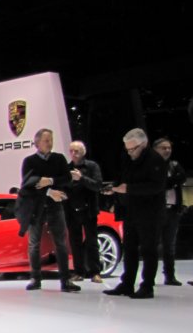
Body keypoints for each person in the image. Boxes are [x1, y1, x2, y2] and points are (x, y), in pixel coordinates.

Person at [103, 128, 167, 299]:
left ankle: (147, 286)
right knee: (129, 248)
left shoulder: (155, 160)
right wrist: (115, 189)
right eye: (128, 149)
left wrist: (129, 189)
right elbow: (123, 179)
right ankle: (127, 283)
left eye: (133, 149)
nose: (130, 152)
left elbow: (156, 186)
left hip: (150, 213)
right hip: (131, 210)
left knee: (148, 249)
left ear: (143, 144)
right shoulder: (128, 159)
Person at [16, 128, 80, 292]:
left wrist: (50, 181)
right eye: (46, 140)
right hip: (36, 208)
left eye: (51, 140)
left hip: (55, 207)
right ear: (37, 143)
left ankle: (65, 280)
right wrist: (49, 191)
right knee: (34, 244)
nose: (49, 143)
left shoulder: (59, 159)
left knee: (61, 243)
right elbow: (27, 185)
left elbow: (67, 179)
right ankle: (35, 278)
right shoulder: (29, 161)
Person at [63, 140, 104, 283]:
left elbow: (97, 185)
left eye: (77, 151)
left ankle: (95, 272)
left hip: (88, 210)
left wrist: (81, 178)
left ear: (83, 152)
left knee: (92, 242)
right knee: (75, 242)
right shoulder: (67, 168)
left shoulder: (92, 166)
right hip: (72, 210)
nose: (73, 154)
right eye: (71, 151)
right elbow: (63, 186)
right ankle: (78, 272)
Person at [153, 137, 186, 286]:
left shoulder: (174, 165)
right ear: (155, 150)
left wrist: (169, 182)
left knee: (170, 245)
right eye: (163, 148)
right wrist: (171, 182)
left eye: (169, 148)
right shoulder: (151, 166)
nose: (167, 150)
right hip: (156, 210)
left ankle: (170, 275)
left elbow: (182, 177)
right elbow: (160, 184)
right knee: (153, 244)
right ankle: (150, 276)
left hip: (173, 209)